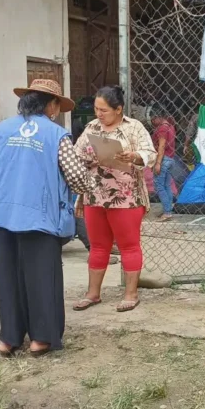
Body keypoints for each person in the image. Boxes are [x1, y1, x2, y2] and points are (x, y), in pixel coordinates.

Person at [0, 78, 91, 357]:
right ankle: (40, 338)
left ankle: (8, 338)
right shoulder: (56, 134)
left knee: (9, 277)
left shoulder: (3, 128)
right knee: (42, 276)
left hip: (2, 213)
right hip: (39, 215)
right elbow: (77, 177)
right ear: (52, 106)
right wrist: (87, 188)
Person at [72, 86, 156, 313]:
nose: (98, 114)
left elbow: (150, 154)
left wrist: (135, 156)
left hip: (126, 198)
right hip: (95, 196)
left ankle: (131, 294)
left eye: (104, 110)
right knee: (98, 246)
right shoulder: (91, 127)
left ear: (118, 109)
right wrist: (89, 159)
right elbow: (76, 155)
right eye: (97, 109)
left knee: (129, 245)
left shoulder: (134, 128)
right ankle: (93, 293)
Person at [151, 114, 176, 222]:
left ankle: (167, 212)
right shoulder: (170, 126)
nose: (152, 121)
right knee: (167, 186)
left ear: (158, 117)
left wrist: (158, 163)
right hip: (170, 159)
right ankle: (168, 209)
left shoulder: (162, 129)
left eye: (153, 118)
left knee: (159, 186)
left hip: (163, 159)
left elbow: (161, 146)